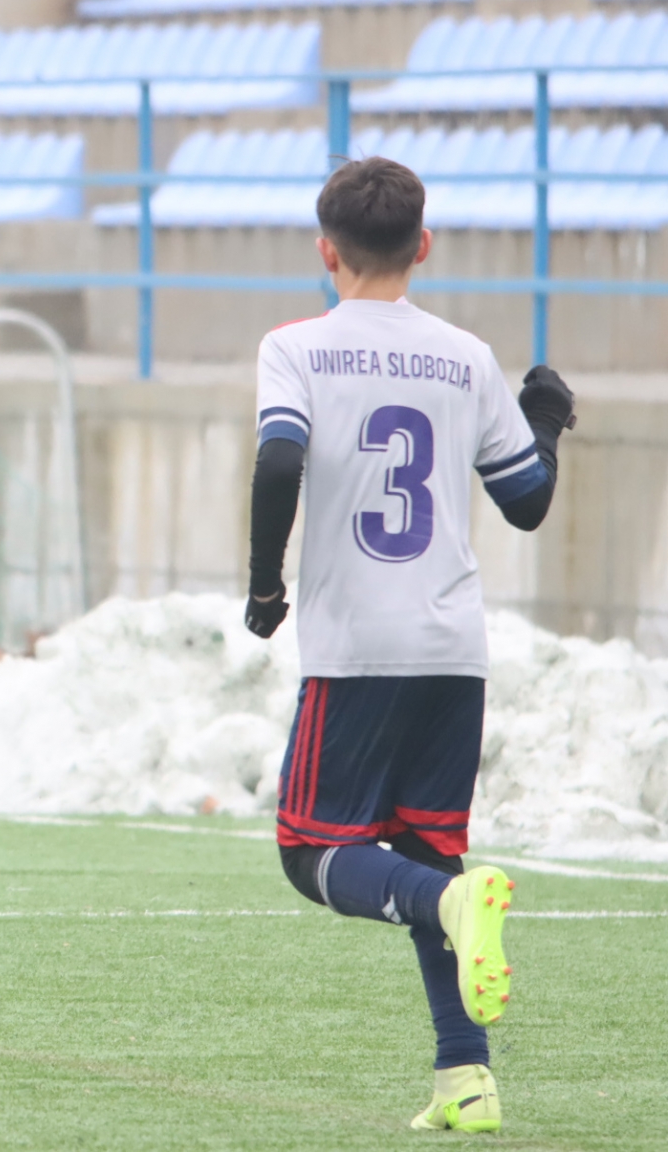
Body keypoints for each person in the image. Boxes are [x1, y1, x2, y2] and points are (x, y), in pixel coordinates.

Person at [245, 157, 575, 1134]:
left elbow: (278, 458)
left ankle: (447, 915)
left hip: (357, 644)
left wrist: (263, 583)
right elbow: (525, 501)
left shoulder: (294, 347)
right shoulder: (465, 357)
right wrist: (545, 421)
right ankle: (464, 1077)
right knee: (430, 854)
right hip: (451, 644)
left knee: (311, 852)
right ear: (421, 245)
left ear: (326, 251)